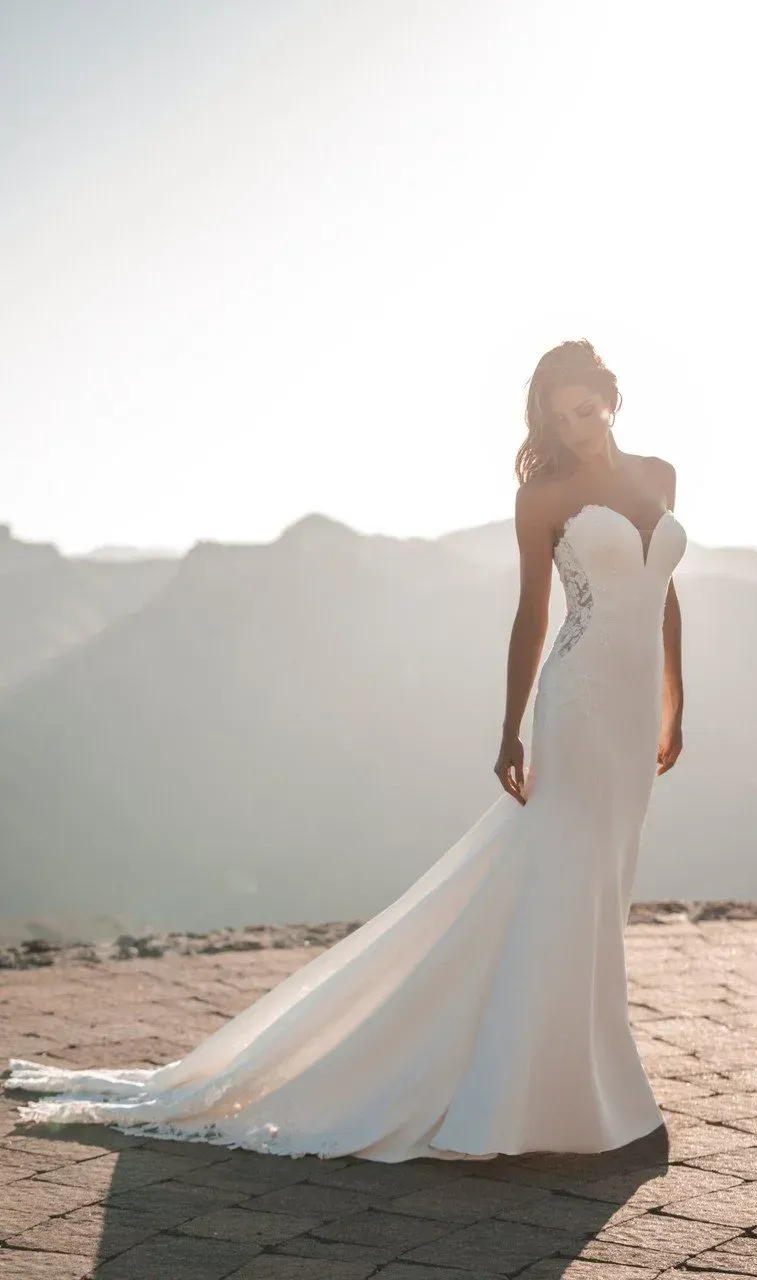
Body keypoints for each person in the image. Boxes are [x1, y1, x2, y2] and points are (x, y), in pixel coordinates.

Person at [4, 338, 685, 1163]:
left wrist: (672, 702)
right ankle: (556, 1101)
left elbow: (663, 592)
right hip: (576, 710)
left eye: (588, 409)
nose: (578, 428)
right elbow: (531, 616)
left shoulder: (659, 476)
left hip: (630, 715)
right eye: (561, 416)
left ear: (612, 398)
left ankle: (585, 1090)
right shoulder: (545, 497)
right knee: (563, 880)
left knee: (602, 887)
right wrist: (508, 728)